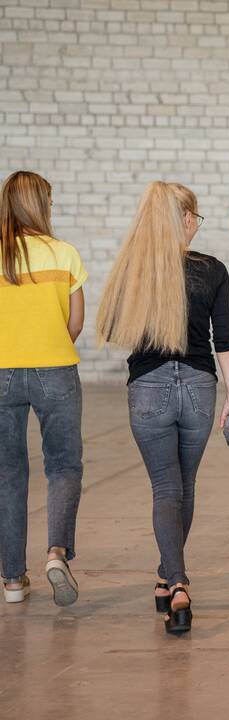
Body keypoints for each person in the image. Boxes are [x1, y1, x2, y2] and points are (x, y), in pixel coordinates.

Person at [96, 181, 229, 634]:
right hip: (199, 387)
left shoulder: (131, 270)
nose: (196, 227)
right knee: (185, 485)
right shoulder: (212, 270)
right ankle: (170, 579)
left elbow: (114, 328)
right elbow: (226, 339)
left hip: (148, 388)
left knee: (166, 489)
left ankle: (173, 581)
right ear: (183, 220)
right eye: (195, 219)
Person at [0, 171, 86, 607]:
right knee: (64, 466)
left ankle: (13, 580)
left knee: (8, 474)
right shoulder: (64, 254)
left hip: (1, 372)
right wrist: (49, 345)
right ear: (39, 205)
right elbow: (76, 322)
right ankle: (56, 553)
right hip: (56, 368)